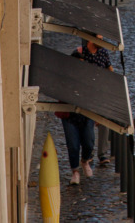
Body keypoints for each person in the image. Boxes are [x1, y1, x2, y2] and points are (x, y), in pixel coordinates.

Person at [59, 49, 95, 185]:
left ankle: (85, 161)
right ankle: (75, 171)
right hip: (69, 115)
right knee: (73, 145)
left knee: (89, 142)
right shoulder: (64, 77)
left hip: (86, 115)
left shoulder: (88, 77)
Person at [78, 38, 114, 167]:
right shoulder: (81, 52)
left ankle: (102, 154)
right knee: (87, 124)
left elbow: (110, 69)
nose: (102, 40)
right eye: (99, 38)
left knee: (104, 122)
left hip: (101, 92)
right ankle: (88, 153)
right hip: (86, 93)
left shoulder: (103, 52)